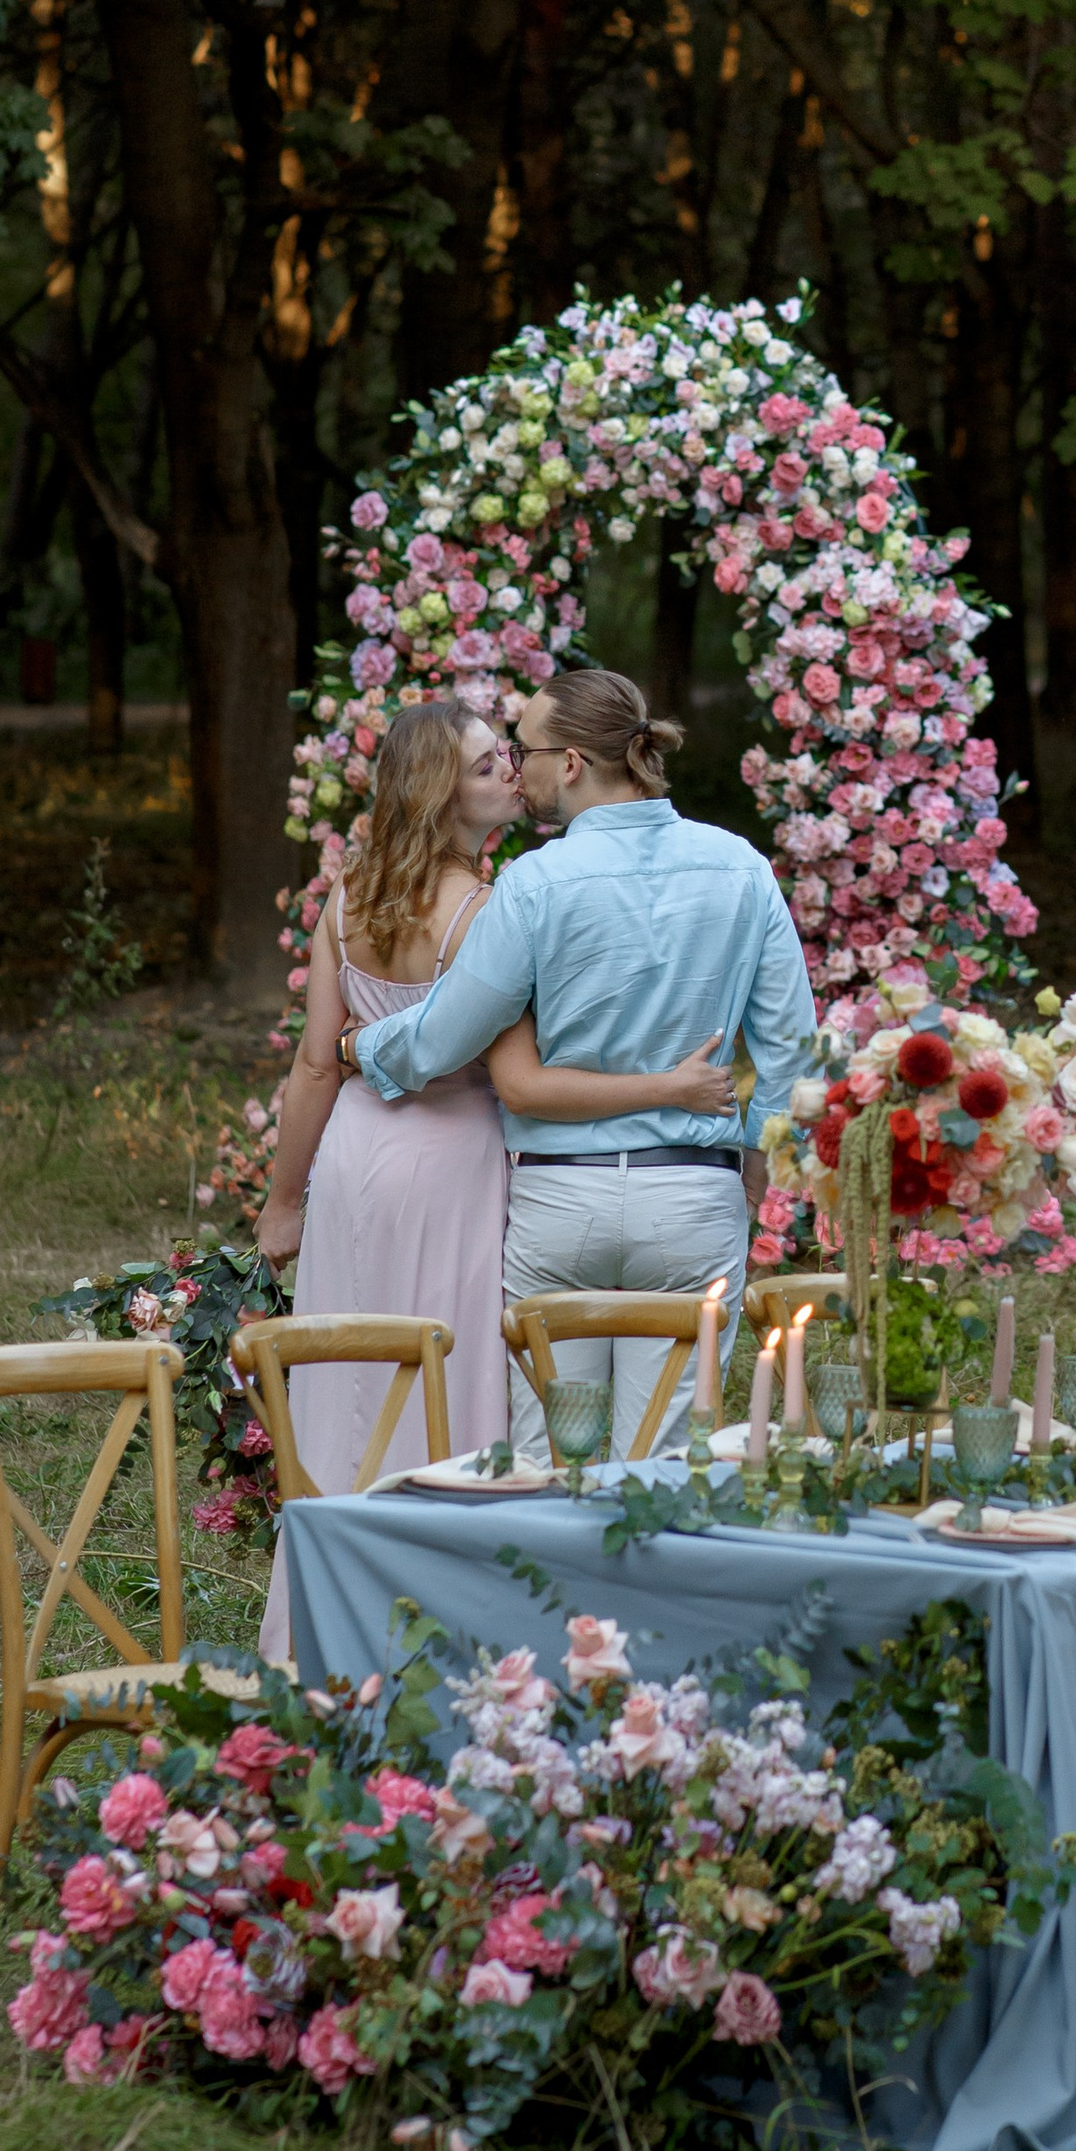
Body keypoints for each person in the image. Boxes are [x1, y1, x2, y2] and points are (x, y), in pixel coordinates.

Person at [254, 695, 736, 1652]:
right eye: (485, 767)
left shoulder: (346, 901)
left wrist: (282, 1200)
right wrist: (671, 1081)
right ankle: (443, 1630)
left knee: (350, 1382)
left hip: (353, 1161)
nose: (510, 774)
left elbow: (316, 1062)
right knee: (455, 1385)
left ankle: (325, 1627)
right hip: (454, 1167)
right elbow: (515, 1072)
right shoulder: (484, 910)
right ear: (441, 797)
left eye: (505, 758)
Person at [346, 663, 816, 1462]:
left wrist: (361, 1045)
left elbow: (448, 1034)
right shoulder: (742, 868)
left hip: (561, 1202)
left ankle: (558, 1589)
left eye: (523, 748)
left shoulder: (534, 883)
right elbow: (790, 1048)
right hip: (692, 1194)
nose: (515, 770)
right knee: (664, 1465)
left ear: (569, 763)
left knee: (544, 1463)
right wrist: (758, 1170)